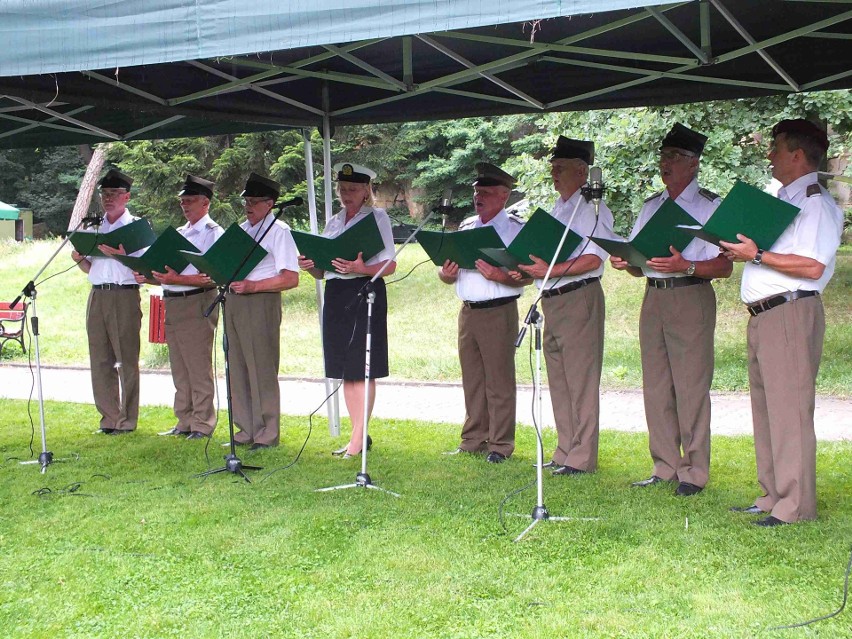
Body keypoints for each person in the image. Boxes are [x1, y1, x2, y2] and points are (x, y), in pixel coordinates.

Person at [721, 119, 842, 526]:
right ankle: (772, 494)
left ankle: (795, 506)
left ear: (797, 155)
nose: (769, 155)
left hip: (791, 311)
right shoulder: (782, 199)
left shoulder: (815, 202)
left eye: (776, 148)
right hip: (765, 315)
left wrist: (756, 256)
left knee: (789, 411)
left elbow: (812, 266)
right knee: (767, 409)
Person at [610, 124, 732, 495]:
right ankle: (664, 465)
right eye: (663, 157)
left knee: (691, 385)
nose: (666, 164)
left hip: (691, 295)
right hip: (654, 297)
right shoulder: (652, 206)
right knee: (657, 385)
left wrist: (688, 266)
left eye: (675, 158)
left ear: (694, 164)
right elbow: (640, 260)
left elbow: (725, 266)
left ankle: (693, 471)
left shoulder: (710, 206)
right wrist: (626, 261)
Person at [512, 136, 616, 476]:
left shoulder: (594, 209)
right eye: (553, 168)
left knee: (580, 379)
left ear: (582, 171)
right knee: (558, 378)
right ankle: (564, 449)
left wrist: (549, 271)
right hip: (552, 300)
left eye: (561, 168)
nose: (554, 174)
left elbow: (592, 258)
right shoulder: (558, 209)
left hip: (579, 296)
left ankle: (582, 457)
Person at [298, 163, 396, 458]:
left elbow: (390, 264)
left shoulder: (377, 218)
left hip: (365, 291)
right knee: (345, 369)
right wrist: (311, 265)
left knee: (363, 368)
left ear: (367, 191)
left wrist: (362, 268)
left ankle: (357, 440)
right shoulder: (334, 222)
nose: (346, 194)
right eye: (342, 189)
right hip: (337, 293)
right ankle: (358, 435)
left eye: (352, 189)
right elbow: (322, 272)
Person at [439, 162, 527, 463]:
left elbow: (527, 275)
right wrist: (447, 274)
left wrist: (499, 276)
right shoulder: (465, 227)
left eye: (487, 192)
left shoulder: (516, 230)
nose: (479, 197)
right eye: (477, 192)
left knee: (499, 380)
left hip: (498, 310)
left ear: (504, 196)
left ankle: (500, 444)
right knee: (473, 378)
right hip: (468, 311)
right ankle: (473, 439)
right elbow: (446, 274)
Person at [138, 175, 223, 440]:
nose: (184, 206)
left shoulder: (213, 233)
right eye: (182, 201)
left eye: (190, 201)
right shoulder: (181, 233)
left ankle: (202, 423)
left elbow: (212, 275)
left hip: (197, 300)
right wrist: (146, 273)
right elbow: (164, 271)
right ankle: (184, 420)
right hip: (173, 301)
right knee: (179, 365)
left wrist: (177, 279)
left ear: (205, 203)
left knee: (197, 365)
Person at [224, 173, 299, 450]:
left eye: (255, 201)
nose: (249, 206)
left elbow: (291, 278)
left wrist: (254, 286)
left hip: (260, 301)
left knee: (261, 367)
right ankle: (245, 429)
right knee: (239, 367)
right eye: (246, 201)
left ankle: (267, 433)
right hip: (234, 299)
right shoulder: (242, 230)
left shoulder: (279, 231)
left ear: (270, 203)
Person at [71, 168, 143, 435]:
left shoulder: (136, 227)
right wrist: (80, 259)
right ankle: (109, 418)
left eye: (114, 194)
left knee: (126, 359)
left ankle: (128, 419)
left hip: (124, 295)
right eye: (105, 194)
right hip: (98, 294)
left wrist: (121, 255)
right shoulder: (95, 225)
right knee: (100, 358)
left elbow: (145, 269)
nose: (108, 198)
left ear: (127, 197)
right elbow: (92, 269)